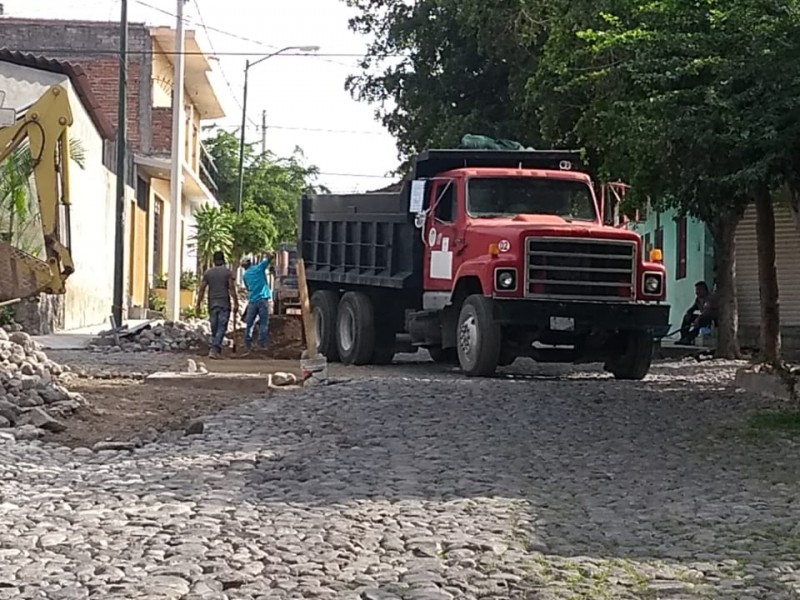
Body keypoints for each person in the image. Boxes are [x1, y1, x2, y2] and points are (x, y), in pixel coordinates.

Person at [195, 250, 238, 359]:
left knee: (214, 328)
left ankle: (216, 349)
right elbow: (231, 289)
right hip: (224, 304)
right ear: (223, 260)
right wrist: (236, 302)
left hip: (212, 304)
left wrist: (198, 304)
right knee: (221, 328)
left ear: (214, 261)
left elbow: (202, 289)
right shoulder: (227, 272)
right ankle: (214, 349)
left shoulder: (208, 273)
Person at [240, 252, 273, 354]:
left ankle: (248, 345)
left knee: (249, 324)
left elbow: (248, 288)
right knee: (263, 323)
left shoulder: (245, 276)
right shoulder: (259, 268)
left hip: (252, 302)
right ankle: (261, 345)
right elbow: (271, 257)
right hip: (263, 300)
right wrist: (266, 252)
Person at [677, 280, 718, 345]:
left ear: (704, 290)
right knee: (687, 318)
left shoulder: (710, 298)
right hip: (702, 317)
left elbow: (707, 311)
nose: (697, 292)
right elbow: (693, 308)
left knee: (699, 322)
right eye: (696, 290)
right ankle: (683, 337)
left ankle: (688, 338)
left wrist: (698, 318)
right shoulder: (698, 300)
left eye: (699, 290)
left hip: (710, 319)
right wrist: (688, 313)